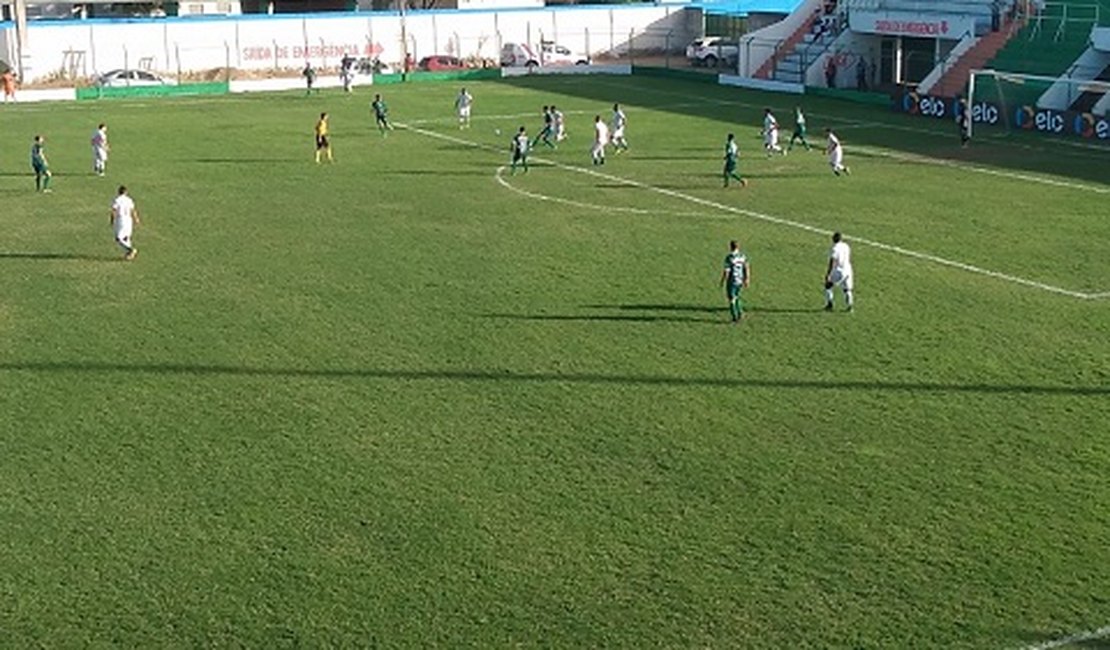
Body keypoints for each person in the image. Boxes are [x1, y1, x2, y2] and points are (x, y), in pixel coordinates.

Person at [719, 240, 751, 323]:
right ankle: (740, 313)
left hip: (732, 281)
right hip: (740, 280)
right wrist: (747, 279)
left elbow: (727, 271)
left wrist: (722, 281)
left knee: (731, 299)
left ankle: (735, 317)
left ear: (730, 247)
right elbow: (746, 267)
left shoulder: (729, 258)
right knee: (737, 296)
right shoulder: (742, 256)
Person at [824, 231, 853, 312]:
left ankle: (830, 304)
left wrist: (828, 274)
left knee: (828, 286)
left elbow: (832, 262)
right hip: (848, 269)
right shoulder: (846, 246)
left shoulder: (834, 249)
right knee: (847, 289)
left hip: (839, 270)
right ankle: (850, 306)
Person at [111, 185, 140, 261]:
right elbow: (133, 210)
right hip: (129, 220)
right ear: (126, 192)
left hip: (121, 220)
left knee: (118, 238)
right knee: (126, 237)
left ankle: (131, 249)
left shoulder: (117, 200)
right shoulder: (129, 200)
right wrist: (136, 219)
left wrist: (112, 220)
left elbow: (114, 210)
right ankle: (129, 254)